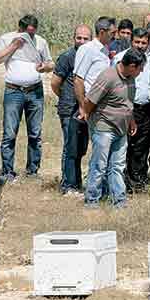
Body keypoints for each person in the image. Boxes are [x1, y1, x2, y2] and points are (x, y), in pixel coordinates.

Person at [0, 14, 54, 182]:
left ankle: (33, 171)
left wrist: (45, 67)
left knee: (35, 133)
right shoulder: (7, 39)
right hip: (14, 92)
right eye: (26, 33)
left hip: (35, 92)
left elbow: (50, 63)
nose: (29, 36)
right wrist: (14, 46)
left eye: (32, 33)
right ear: (20, 29)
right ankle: (7, 172)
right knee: (9, 133)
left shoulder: (40, 42)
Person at [83, 48, 146, 209]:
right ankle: (92, 200)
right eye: (140, 68)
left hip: (122, 129)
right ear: (132, 66)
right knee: (99, 165)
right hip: (104, 127)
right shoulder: (108, 77)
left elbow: (127, 103)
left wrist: (131, 122)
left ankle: (119, 200)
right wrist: (89, 118)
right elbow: (90, 101)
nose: (141, 71)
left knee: (117, 166)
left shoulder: (131, 78)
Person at [51, 24, 92, 195]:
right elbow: (55, 83)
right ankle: (68, 185)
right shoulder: (68, 56)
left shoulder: (91, 56)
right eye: (78, 38)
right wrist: (66, 97)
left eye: (85, 38)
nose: (81, 41)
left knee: (80, 147)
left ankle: (76, 182)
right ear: (74, 38)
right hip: (69, 109)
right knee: (70, 147)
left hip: (84, 109)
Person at [125, 20, 150, 192]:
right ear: (131, 41)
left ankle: (145, 178)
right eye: (137, 42)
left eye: (143, 42)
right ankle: (132, 181)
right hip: (132, 107)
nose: (140, 46)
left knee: (149, 144)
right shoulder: (123, 58)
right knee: (133, 145)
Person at [74, 16, 116, 122]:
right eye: (112, 33)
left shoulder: (105, 50)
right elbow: (78, 79)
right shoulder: (88, 49)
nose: (114, 36)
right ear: (102, 32)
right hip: (91, 103)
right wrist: (83, 107)